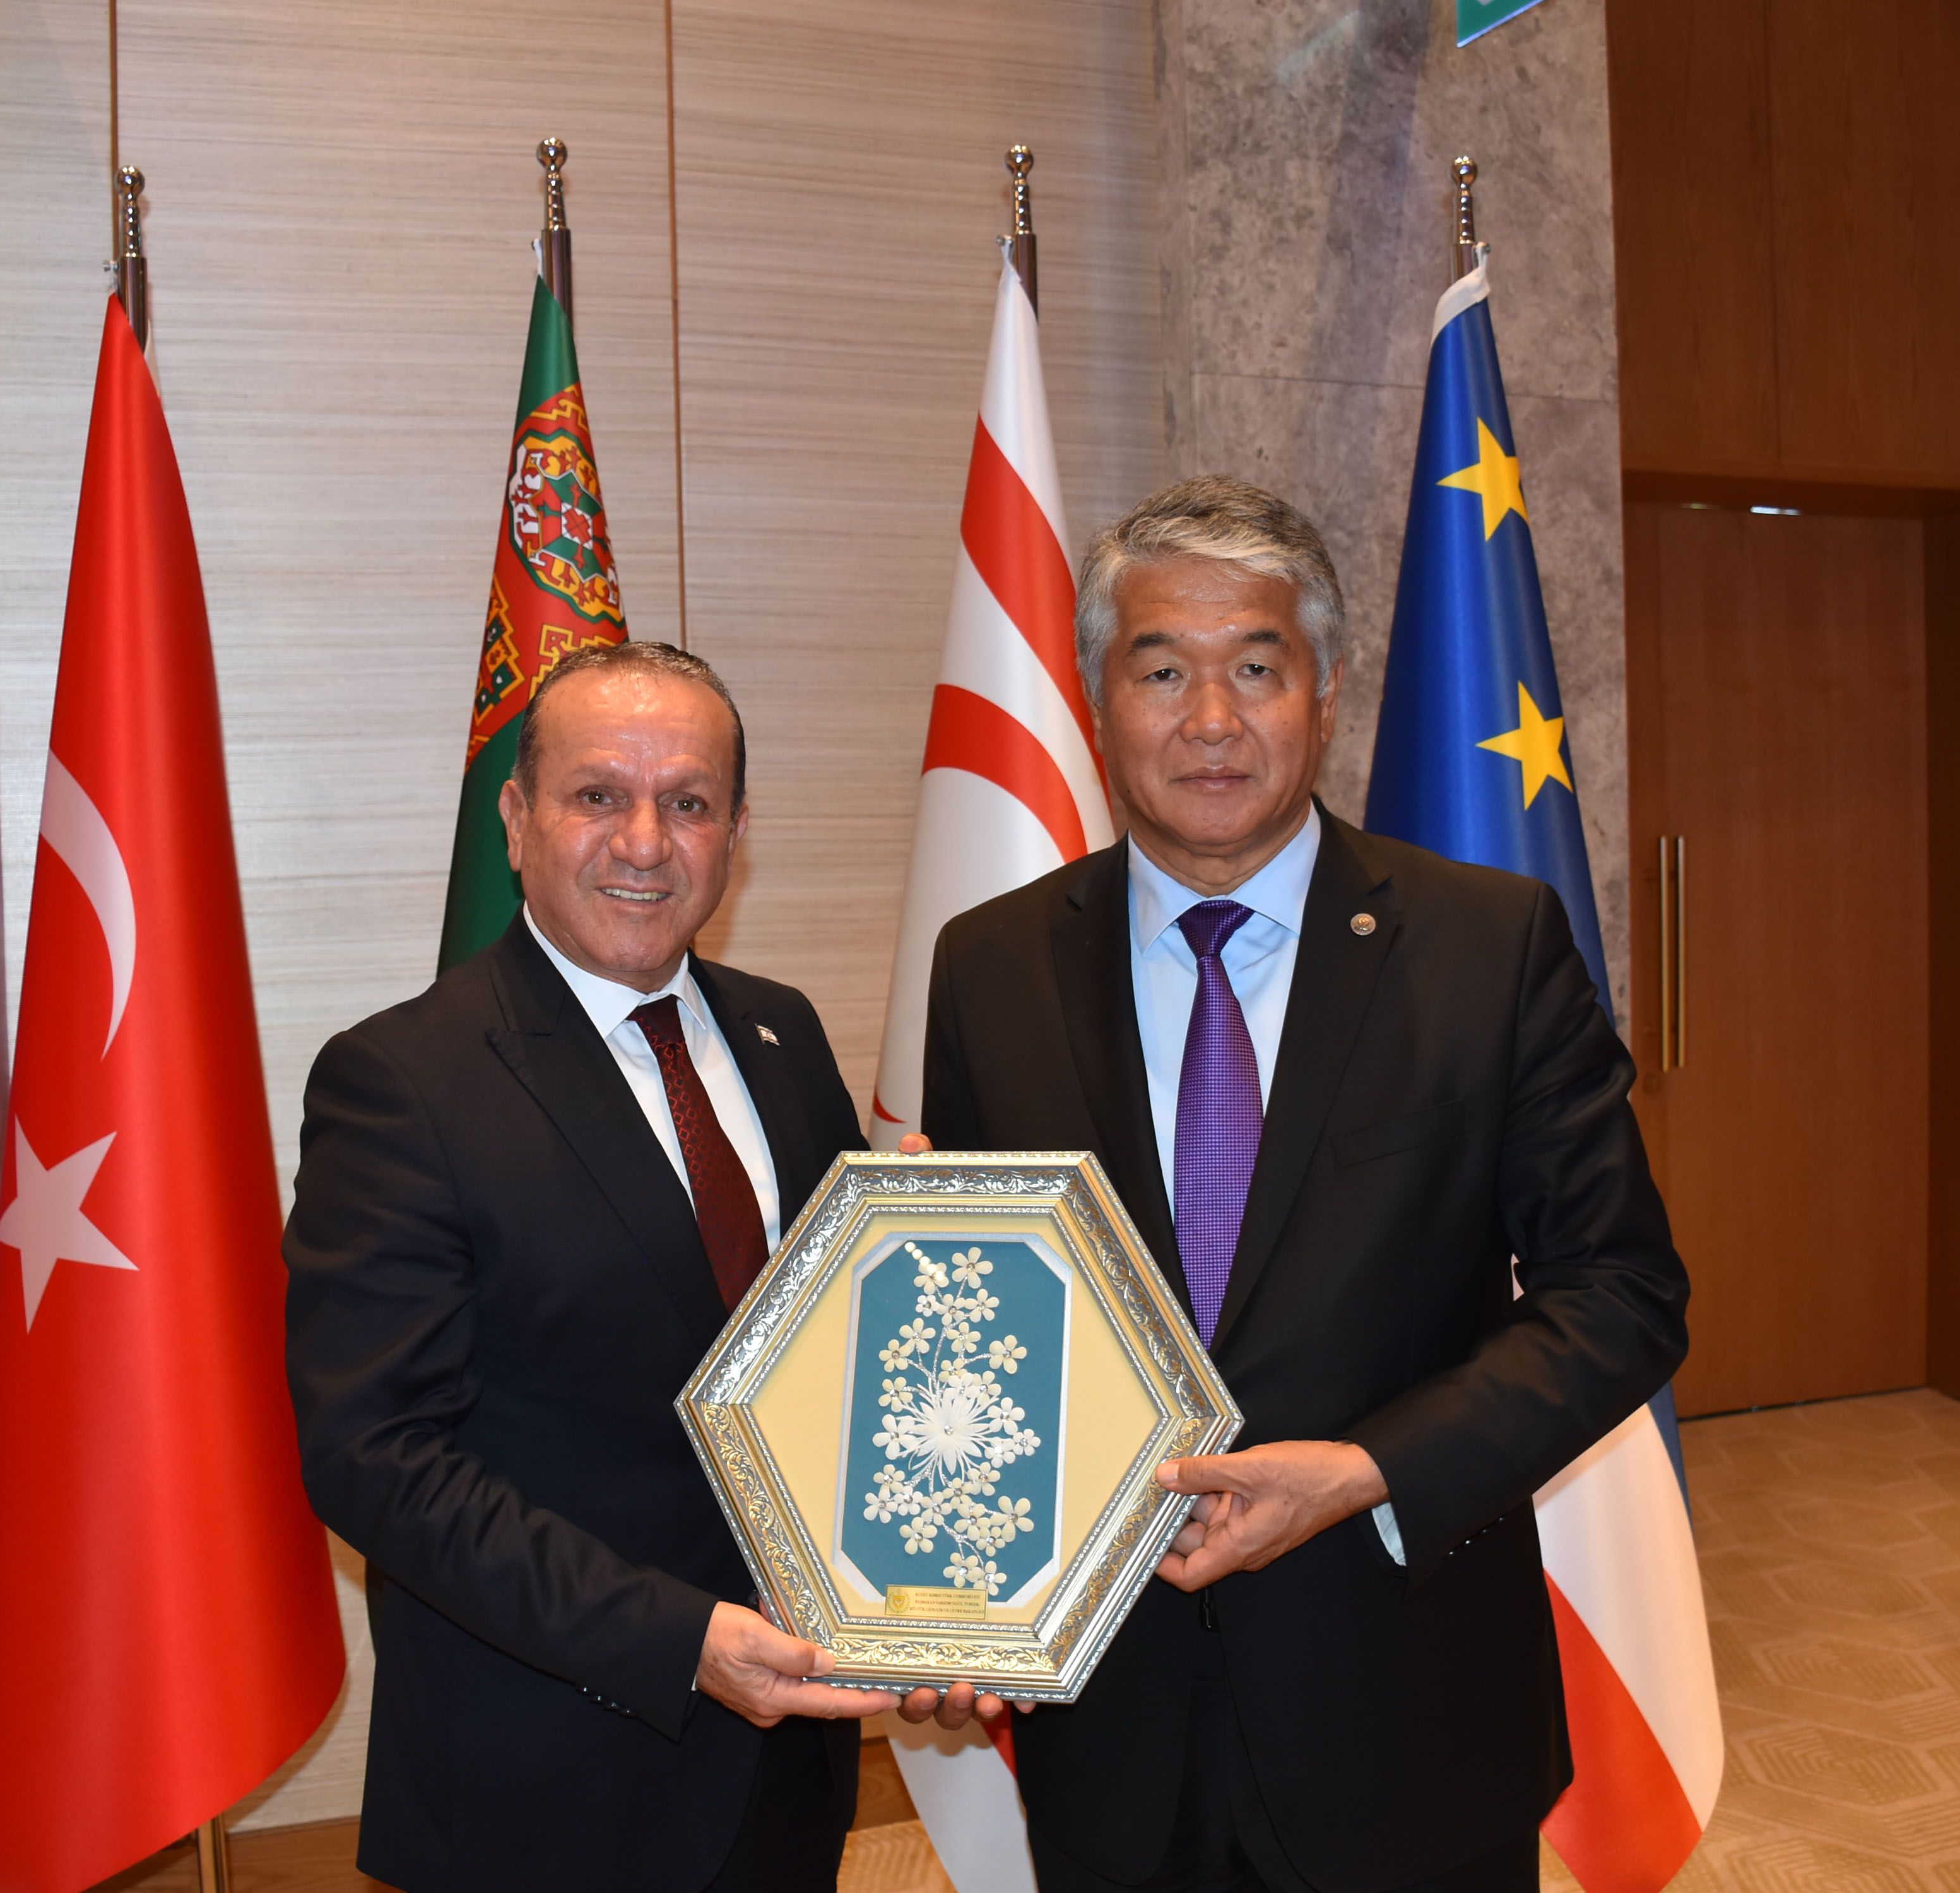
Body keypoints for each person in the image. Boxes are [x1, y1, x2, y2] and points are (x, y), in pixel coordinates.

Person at [905, 478, 1689, 1893]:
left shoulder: (1488, 948)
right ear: (1098, 702)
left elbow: (1621, 1295)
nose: (1211, 719)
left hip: (1404, 1700)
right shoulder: (991, 965)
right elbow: (985, 1331)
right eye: (1161, 671)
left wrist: (1369, 1471)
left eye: (1256, 668)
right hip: (1112, 1719)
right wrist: (942, 1589)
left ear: (1325, 696)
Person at [283, 642, 894, 1893]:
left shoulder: (783, 1033)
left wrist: (916, 1258)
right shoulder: (402, 1082)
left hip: (787, 1761)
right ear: (516, 821)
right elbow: (376, 1456)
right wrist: (679, 1640)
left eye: (689, 802)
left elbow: (819, 1364)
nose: (645, 842)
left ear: (735, 832)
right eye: (598, 795)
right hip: (545, 1787)